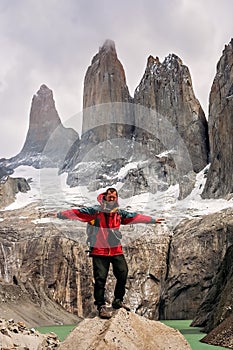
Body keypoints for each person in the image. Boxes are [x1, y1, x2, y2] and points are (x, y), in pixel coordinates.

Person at [49, 187, 165, 319]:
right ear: (104, 197)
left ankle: (118, 301)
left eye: (114, 197)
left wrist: (152, 220)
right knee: (100, 280)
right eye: (110, 197)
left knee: (123, 273)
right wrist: (59, 214)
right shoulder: (95, 212)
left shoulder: (119, 214)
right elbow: (77, 213)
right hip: (99, 250)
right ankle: (101, 306)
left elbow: (135, 217)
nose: (111, 199)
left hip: (115, 249)